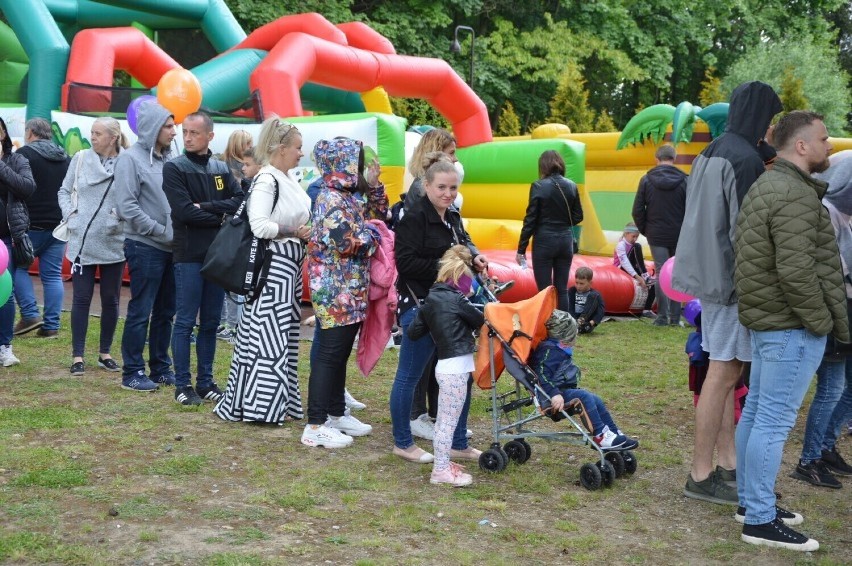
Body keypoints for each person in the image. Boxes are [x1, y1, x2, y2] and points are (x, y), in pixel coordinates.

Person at [734, 110, 846, 551]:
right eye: (822, 139)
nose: (828, 146)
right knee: (773, 420)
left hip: (771, 323)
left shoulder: (769, 185)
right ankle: (759, 517)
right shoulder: (793, 194)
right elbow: (797, 271)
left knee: (760, 413)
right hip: (790, 326)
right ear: (800, 146)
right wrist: (821, 323)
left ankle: (751, 503)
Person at [674, 81, 782, 505]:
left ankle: (726, 463)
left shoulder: (714, 149)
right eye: (769, 119)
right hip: (732, 282)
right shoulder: (745, 160)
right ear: (760, 116)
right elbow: (748, 232)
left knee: (723, 373)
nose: (771, 128)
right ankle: (702, 473)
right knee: (722, 374)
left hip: (708, 278)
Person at [390, 153, 487, 463]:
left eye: (453, 188)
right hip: (420, 306)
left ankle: (458, 441)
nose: (448, 194)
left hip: (452, 308)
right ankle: (402, 442)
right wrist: (446, 266)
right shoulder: (414, 218)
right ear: (427, 185)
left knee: (462, 376)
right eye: (442, 187)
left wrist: (474, 258)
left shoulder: (453, 216)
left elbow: (465, 246)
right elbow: (404, 264)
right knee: (410, 375)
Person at [214, 118, 311, 424]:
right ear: (281, 148)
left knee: (280, 336)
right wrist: (294, 231)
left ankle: (275, 404)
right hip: (274, 268)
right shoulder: (268, 180)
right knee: (269, 337)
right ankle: (261, 407)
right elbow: (259, 226)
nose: (301, 153)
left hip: (287, 267)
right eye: (297, 148)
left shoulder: (284, 178)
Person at [300, 137, 387, 448]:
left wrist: (376, 190)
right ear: (343, 165)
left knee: (337, 356)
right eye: (356, 163)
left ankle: (336, 413)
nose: (360, 168)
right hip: (335, 291)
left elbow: (380, 214)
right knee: (329, 355)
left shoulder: (346, 196)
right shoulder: (332, 200)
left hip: (348, 290)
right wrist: (373, 234)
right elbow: (349, 243)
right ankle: (315, 425)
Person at [163, 112, 242, 406]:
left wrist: (208, 208)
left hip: (217, 255)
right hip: (189, 255)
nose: (187, 137)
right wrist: (221, 217)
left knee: (210, 322)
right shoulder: (174, 168)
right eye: (185, 132)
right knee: (185, 321)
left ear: (210, 136)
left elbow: (239, 201)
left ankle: (206, 382)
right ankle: (182, 384)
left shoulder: (220, 168)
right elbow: (183, 211)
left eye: (194, 133)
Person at [792, 150, 852, 489]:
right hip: (833, 313)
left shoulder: (841, 216)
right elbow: (830, 269)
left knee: (847, 388)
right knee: (831, 388)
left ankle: (825, 447)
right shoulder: (824, 213)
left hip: (845, 312)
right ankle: (809, 458)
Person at [114, 100, 177, 392]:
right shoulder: (130, 159)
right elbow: (127, 205)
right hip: (144, 246)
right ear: (152, 127)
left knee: (166, 311)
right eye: (168, 125)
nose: (174, 131)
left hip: (172, 247)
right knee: (141, 310)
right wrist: (159, 231)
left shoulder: (171, 159)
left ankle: (160, 368)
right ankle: (132, 371)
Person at [408, 245, 484, 486]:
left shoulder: (431, 299)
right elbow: (479, 320)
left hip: (446, 365)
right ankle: (440, 470)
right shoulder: (457, 300)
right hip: (456, 368)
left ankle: (442, 464)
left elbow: (413, 332)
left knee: (444, 421)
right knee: (446, 423)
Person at [58, 117, 128, 375]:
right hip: (82, 241)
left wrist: (117, 216)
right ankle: (77, 356)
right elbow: (64, 191)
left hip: (114, 242)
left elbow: (134, 198)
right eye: (92, 132)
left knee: (111, 300)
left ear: (113, 137)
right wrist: (71, 215)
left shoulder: (126, 163)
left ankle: (105, 353)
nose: (93, 137)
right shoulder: (80, 159)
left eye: (98, 133)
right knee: (81, 298)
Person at [530, 310, 639, 449]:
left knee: (595, 398)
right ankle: (600, 436)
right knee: (584, 396)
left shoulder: (556, 348)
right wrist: (554, 394)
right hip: (550, 398)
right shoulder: (550, 352)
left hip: (561, 391)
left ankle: (613, 432)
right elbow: (542, 375)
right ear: (566, 335)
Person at [13, 117, 70, 338]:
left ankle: (29, 314)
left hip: (30, 225)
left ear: (30, 133)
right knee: (53, 275)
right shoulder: (66, 156)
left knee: (17, 267)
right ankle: (51, 326)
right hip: (58, 225)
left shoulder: (23, 155)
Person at [516, 149, 583, 312]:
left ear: (543, 166)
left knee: (545, 290)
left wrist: (521, 249)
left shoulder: (538, 186)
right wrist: (563, 221)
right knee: (562, 288)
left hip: (544, 240)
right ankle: (564, 328)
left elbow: (530, 219)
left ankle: (547, 327)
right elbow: (578, 216)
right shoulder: (572, 185)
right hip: (565, 239)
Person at [632, 144, 687, 326]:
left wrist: (646, 230)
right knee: (677, 274)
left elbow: (637, 210)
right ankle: (675, 318)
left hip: (656, 233)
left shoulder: (646, 180)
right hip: (679, 233)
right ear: (675, 158)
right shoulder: (686, 180)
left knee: (662, 272)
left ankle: (661, 317)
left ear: (657, 158)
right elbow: (692, 210)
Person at [0, 116, 36, 367]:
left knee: (4, 292)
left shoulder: (17, 160)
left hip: (6, 237)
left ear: (2, 134)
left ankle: (4, 346)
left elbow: (27, 188)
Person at [217, 131, 253, 342]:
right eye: (248, 143)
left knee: (226, 277)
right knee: (229, 277)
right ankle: (230, 324)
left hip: (229, 225)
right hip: (233, 225)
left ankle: (228, 323)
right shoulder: (233, 169)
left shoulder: (224, 166)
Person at [403, 128, 460, 211]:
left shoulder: (425, 184)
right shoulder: (424, 189)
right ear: (437, 154)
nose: (455, 159)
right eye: (451, 153)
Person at [613, 223, 655, 313]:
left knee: (652, 285)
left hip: (632, 268)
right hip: (620, 269)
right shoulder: (621, 245)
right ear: (626, 234)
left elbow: (638, 262)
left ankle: (647, 310)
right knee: (637, 246)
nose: (635, 239)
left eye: (637, 237)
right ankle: (645, 275)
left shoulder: (633, 245)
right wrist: (637, 276)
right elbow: (624, 262)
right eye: (633, 236)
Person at [567, 266, 604, 334]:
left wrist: (591, 323)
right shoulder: (572, 291)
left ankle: (579, 324)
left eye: (582, 284)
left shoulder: (595, 295)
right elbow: (570, 307)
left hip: (586, 322)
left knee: (593, 295)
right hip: (573, 318)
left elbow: (600, 312)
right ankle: (574, 325)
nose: (578, 286)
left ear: (590, 283)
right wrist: (573, 320)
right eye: (577, 283)